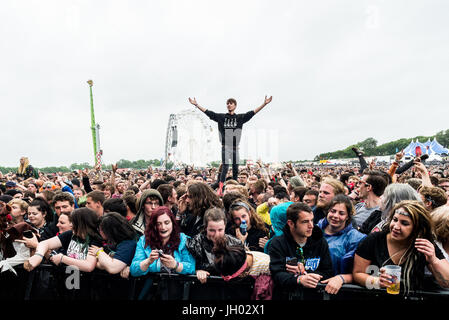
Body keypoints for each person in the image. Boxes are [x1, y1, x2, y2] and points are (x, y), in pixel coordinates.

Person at [353, 200, 449, 294]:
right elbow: (357, 274)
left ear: (417, 227)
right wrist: (377, 281)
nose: (396, 226)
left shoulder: (424, 244)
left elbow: (446, 282)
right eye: (395, 220)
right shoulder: (374, 240)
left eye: (404, 223)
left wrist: (433, 260)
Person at [188, 96, 272, 195]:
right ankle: (220, 188)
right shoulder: (221, 117)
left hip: (235, 148)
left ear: (235, 106)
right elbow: (209, 113)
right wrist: (197, 105)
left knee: (236, 168)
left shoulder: (240, 118)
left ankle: (235, 185)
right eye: (227, 103)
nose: (229, 105)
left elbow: (252, 113)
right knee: (225, 167)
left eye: (231, 103)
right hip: (225, 147)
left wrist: (264, 104)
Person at [268, 202, 333, 299]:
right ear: (291, 223)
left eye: (312, 220)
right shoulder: (277, 243)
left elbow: (328, 271)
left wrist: (308, 275)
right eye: (305, 222)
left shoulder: (320, 241)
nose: (311, 225)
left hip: (313, 296)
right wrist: (299, 279)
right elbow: (277, 274)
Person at [24, 207, 103, 273]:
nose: (71, 225)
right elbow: (45, 243)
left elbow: (89, 266)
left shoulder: (94, 240)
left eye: (73, 222)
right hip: (67, 280)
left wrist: (62, 258)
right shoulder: (70, 234)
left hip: (85, 283)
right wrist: (39, 255)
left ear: (81, 224)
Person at [317, 195, 367, 294]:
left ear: (348, 216)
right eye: (333, 211)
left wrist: (342, 278)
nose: (335, 216)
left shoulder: (356, 238)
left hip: (339, 291)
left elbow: (361, 273)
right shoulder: (314, 230)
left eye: (341, 213)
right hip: (310, 288)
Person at [130, 206, 195, 277]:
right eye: (158, 224)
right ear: (153, 226)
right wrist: (148, 261)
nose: (163, 227)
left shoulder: (183, 239)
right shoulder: (144, 240)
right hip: (152, 286)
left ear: (172, 223)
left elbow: (191, 267)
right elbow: (133, 270)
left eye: (166, 223)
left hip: (178, 286)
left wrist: (175, 265)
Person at [186, 207, 243, 284]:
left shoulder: (235, 244)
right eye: (212, 230)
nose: (216, 235)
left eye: (220, 230)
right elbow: (187, 266)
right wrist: (196, 271)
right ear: (205, 228)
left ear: (225, 227)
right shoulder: (195, 243)